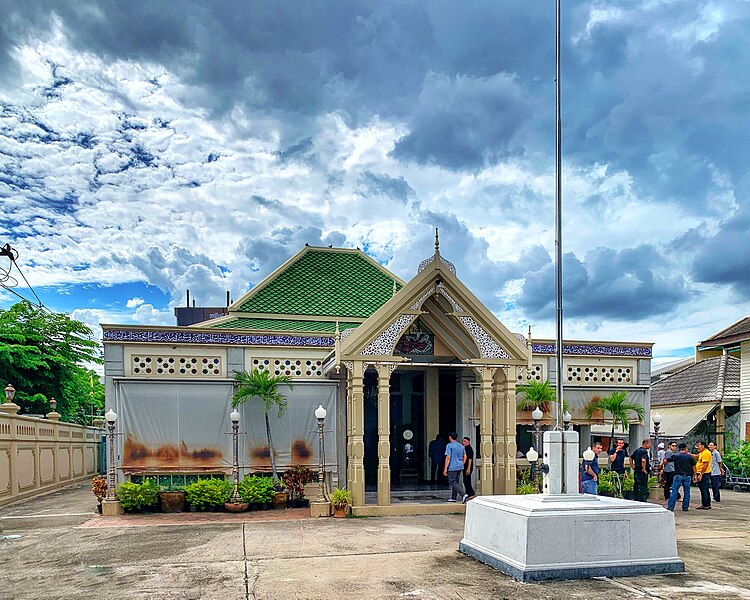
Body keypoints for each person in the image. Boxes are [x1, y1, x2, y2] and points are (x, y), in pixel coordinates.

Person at [666, 443, 697, 512]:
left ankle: (670, 507)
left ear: (679, 449)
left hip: (678, 475)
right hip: (687, 476)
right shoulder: (689, 457)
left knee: (674, 491)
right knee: (687, 492)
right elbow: (694, 466)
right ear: (686, 448)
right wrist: (695, 475)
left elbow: (666, 460)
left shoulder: (675, 456)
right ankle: (685, 507)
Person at [443, 432, 467, 503]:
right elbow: (465, 456)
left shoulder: (449, 446)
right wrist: (462, 463)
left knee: (452, 481)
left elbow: (448, 457)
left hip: (452, 466)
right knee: (456, 481)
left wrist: (445, 468)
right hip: (459, 466)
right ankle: (453, 497)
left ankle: (463, 494)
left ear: (450, 437)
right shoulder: (461, 446)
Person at [695, 441, 712, 509]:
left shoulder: (706, 453)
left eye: (698, 446)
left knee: (704, 489)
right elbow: (696, 456)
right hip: (701, 473)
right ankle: (705, 504)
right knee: (703, 489)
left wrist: (701, 474)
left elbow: (705, 465)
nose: (697, 447)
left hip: (704, 473)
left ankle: (706, 504)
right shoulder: (702, 453)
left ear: (703, 446)